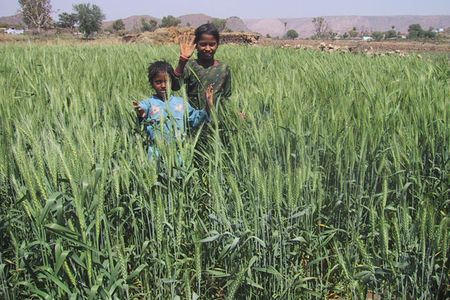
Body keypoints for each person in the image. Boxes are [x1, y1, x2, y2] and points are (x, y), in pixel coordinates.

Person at [133, 61, 214, 159]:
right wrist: (139, 110)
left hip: (178, 152)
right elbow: (141, 110)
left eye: (166, 81)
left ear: (172, 81)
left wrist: (208, 105)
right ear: (151, 83)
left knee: (178, 174)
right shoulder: (149, 103)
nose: (163, 85)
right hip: (156, 153)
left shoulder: (181, 103)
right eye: (158, 82)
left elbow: (195, 119)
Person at [174, 23, 232, 110]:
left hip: (217, 118)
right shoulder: (190, 65)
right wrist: (183, 60)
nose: (208, 49)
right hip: (194, 118)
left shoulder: (223, 68)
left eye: (212, 44)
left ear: (217, 44)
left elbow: (227, 96)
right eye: (203, 44)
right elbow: (175, 86)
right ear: (196, 45)